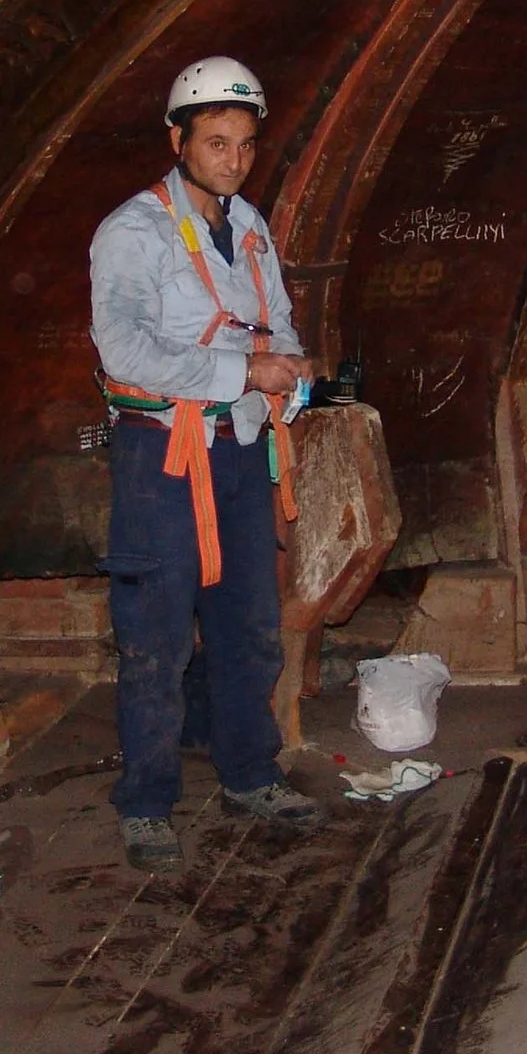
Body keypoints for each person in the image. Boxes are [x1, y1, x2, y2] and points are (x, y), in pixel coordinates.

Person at [89, 57, 324, 870]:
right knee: (155, 635)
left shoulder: (250, 226)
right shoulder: (132, 232)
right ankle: (148, 802)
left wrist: (288, 375)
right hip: (163, 454)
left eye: (246, 145)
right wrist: (241, 374)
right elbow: (122, 347)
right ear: (177, 139)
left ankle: (250, 772)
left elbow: (277, 323)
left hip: (243, 449)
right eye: (216, 142)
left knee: (250, 625)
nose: (232, 159)